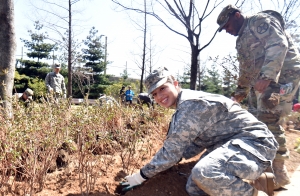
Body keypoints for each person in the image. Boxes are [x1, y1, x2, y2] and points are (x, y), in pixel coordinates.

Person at [121, 67, 278, 196]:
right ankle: (257, 181)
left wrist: (139, 177)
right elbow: (191, 146)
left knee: (206, 173)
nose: (159, 96)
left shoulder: (190, 105)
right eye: (154, 94)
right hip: (231, 144)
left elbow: (172, 152)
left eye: (163, 88)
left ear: (175, 84)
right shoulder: (183, 107)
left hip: (256, 143)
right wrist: (169, 161)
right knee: (195, 188)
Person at [217, 4, 300, 189]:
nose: (227, 31)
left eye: (227, 26)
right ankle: (265, 170)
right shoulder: (240, 41)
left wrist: (267, 76)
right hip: (262, 82)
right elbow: (246, 70)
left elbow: (279, 44)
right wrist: (238, 94)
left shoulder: (259, 22)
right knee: (255, 120)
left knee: (268, 118)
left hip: (283, 76)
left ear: (237, 16)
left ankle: (278, 176)